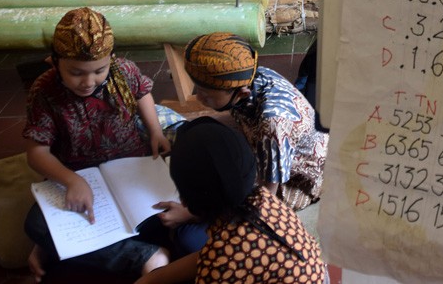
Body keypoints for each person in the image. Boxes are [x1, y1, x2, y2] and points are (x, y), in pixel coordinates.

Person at [22, 7, 180, 282]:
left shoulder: (124, 71)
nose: (88, 82)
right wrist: (71, 181)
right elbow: (37, 153)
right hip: (78, 173)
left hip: (130, 166)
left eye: (99, 71)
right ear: (54, 61)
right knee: (35, 223)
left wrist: (155, 131)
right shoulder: (44, 90)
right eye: (76, 72)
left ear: (112, 59)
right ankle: (149, 257)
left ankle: (62, 248)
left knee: (162, 217)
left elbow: (143, 91)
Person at [136, 117, 327, 284]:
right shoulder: (264, 199)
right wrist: (154, 278)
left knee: (185, 238)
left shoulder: (220, 262)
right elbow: (217, 253)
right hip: (317, 277)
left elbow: (219, 257)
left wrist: (150, 277)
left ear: (185, 201)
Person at [182, 31, 328, 210]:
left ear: (242, 93)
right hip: (268, 144)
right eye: (198, 90)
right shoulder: (250, 76)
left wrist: (194, 213)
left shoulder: (274, 122)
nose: (198, 98)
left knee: (230, 195)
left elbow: (268, 195)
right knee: (197, 132)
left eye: (206, 95)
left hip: (298, 179)